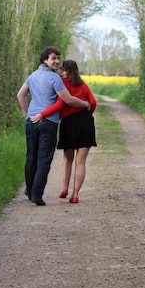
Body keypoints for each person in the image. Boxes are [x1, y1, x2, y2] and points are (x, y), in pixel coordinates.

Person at [17, 47, 91, 206]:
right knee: (44, 159)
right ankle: (36, 194)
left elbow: (20, 95)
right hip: (48, 122)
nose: (57, 61)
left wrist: (27, 113)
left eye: (58, 58)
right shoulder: (54, 78)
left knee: (31, 157)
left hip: (31, 121)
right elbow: (68, 100)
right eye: (53, 58)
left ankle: (30, 190)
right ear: (45, 60)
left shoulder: (32, 76)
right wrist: (85, 104)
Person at [31, 60, 96, 203]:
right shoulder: (83, 85)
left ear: (69, 71)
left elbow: (60, 104)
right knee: (81, 162)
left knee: (67, 158)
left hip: (69, 123)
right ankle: (75, 195)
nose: (60, 72)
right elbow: (93, 103)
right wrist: (86, 110)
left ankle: (65, 187)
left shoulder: (61, 84)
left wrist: (43, 114)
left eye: (63, 70)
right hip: (85, 122)